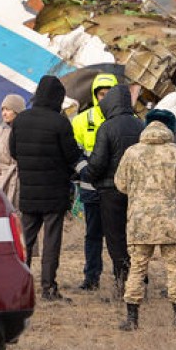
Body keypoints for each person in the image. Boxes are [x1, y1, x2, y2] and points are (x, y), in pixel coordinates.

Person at [113, 109, 176, 330]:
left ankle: (132, 319)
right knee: (175, 268)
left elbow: (120, 184)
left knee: (137, 267)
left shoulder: (132, 153)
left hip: (140, 221)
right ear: (170, 127)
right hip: (172, 221)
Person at [9, 75, 83, 302]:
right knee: (52, 240)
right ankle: (48, 287)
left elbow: (13, 152)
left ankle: (20, 287)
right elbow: (71, 155)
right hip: (54, 192)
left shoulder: (21, 120)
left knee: (26, 241)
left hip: (29, 191)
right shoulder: (60, 122)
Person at [85, 82, 144, 296]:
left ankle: (123, 283)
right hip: (138, 191)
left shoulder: (107, 127)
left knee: (115, 237)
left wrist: (86, 176)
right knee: (135, 237)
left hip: (110, 191)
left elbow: (98, 162)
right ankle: (139, 280)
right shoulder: (140, 125)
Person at [70, 73, 120, 291]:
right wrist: (84, 172)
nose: (105, 98)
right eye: (101, 94)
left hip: (117, 189)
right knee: (92, 235)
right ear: (95, 95)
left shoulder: (126, 121)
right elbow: (74, 151)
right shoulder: (81, 120)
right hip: (91, 188)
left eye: (109, 94)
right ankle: (91, 277)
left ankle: (122, 276)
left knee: (118, 235)